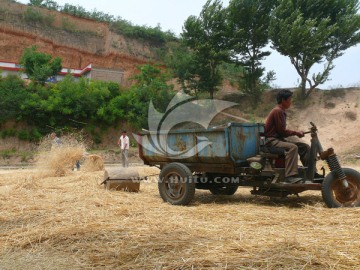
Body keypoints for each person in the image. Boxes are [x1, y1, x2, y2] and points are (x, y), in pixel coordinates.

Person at [264, 89, 310, 183]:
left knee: (304, 147)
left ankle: (310, 172)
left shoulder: (281, 111)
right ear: (283, 100)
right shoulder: (277, 111)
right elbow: (282, 132)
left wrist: (296, 133)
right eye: (289, 100)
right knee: (292, 148)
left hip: (279, 139)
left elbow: (282, 132)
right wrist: (297, 133)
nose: (291, 102)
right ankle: (290, 176)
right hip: (272, 141)